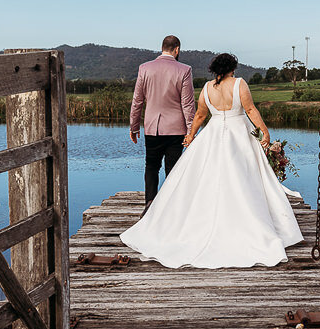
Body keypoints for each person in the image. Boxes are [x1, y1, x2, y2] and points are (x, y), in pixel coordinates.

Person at [121, 52, 303, 268]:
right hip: (238, 134)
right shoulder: (239, 84)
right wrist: (264, 131)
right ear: (232, 68)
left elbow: (199, 115)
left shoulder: (207, 88)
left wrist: (190, 135)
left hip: (213, 133)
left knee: (207, 176)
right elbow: (250, 109)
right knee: (243, 177)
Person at [129, 35, 196, 212]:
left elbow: (137, 100)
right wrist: (191, 131)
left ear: (162, 48)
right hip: (176, 129)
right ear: (177, 49)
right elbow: (188, 104)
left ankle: (149, 204)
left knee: (151, 166)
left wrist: (134, 126)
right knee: (173, 170)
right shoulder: (185, 70)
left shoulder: (145, 68)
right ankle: (171, 208)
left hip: (152, 128)